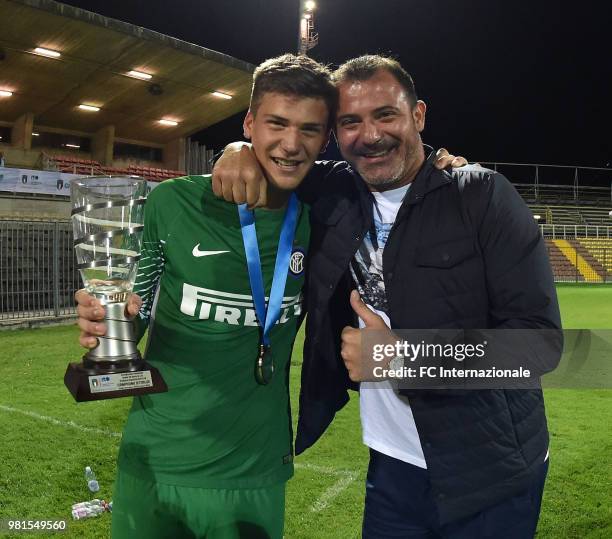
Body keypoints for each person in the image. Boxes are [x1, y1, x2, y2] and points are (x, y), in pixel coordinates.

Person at [213, 55, 562, 538]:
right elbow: (277, 155)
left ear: (418, 115)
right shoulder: (333, 191)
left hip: (491, 470)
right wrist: (235, 148)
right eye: (350, 122)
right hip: (393, 467)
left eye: (386, 115)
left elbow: (540, 346)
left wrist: (405, 359)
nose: (369, 135)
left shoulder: (482, 196)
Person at [75, 53, 336, 539]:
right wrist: (107, 320)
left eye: (310, 130)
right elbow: (134, 318)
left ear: (326, 138)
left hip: (254, 471)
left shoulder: (323, 216)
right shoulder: (172, 204)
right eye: (276, 124)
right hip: (156, 461)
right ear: (250, 123)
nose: (291, 144)